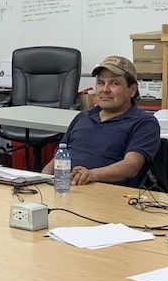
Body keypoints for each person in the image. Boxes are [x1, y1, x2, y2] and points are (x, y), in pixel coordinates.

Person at [41, 55, 160, 187]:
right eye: (101, 83)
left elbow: (131, 166)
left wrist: (91, 175)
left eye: (114, 83)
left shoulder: (144, 123)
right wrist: (43, 180)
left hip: (105, 194)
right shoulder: (83, 116)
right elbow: (58, 158)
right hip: (65, 189)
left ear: (132, 90)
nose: (105, 89)